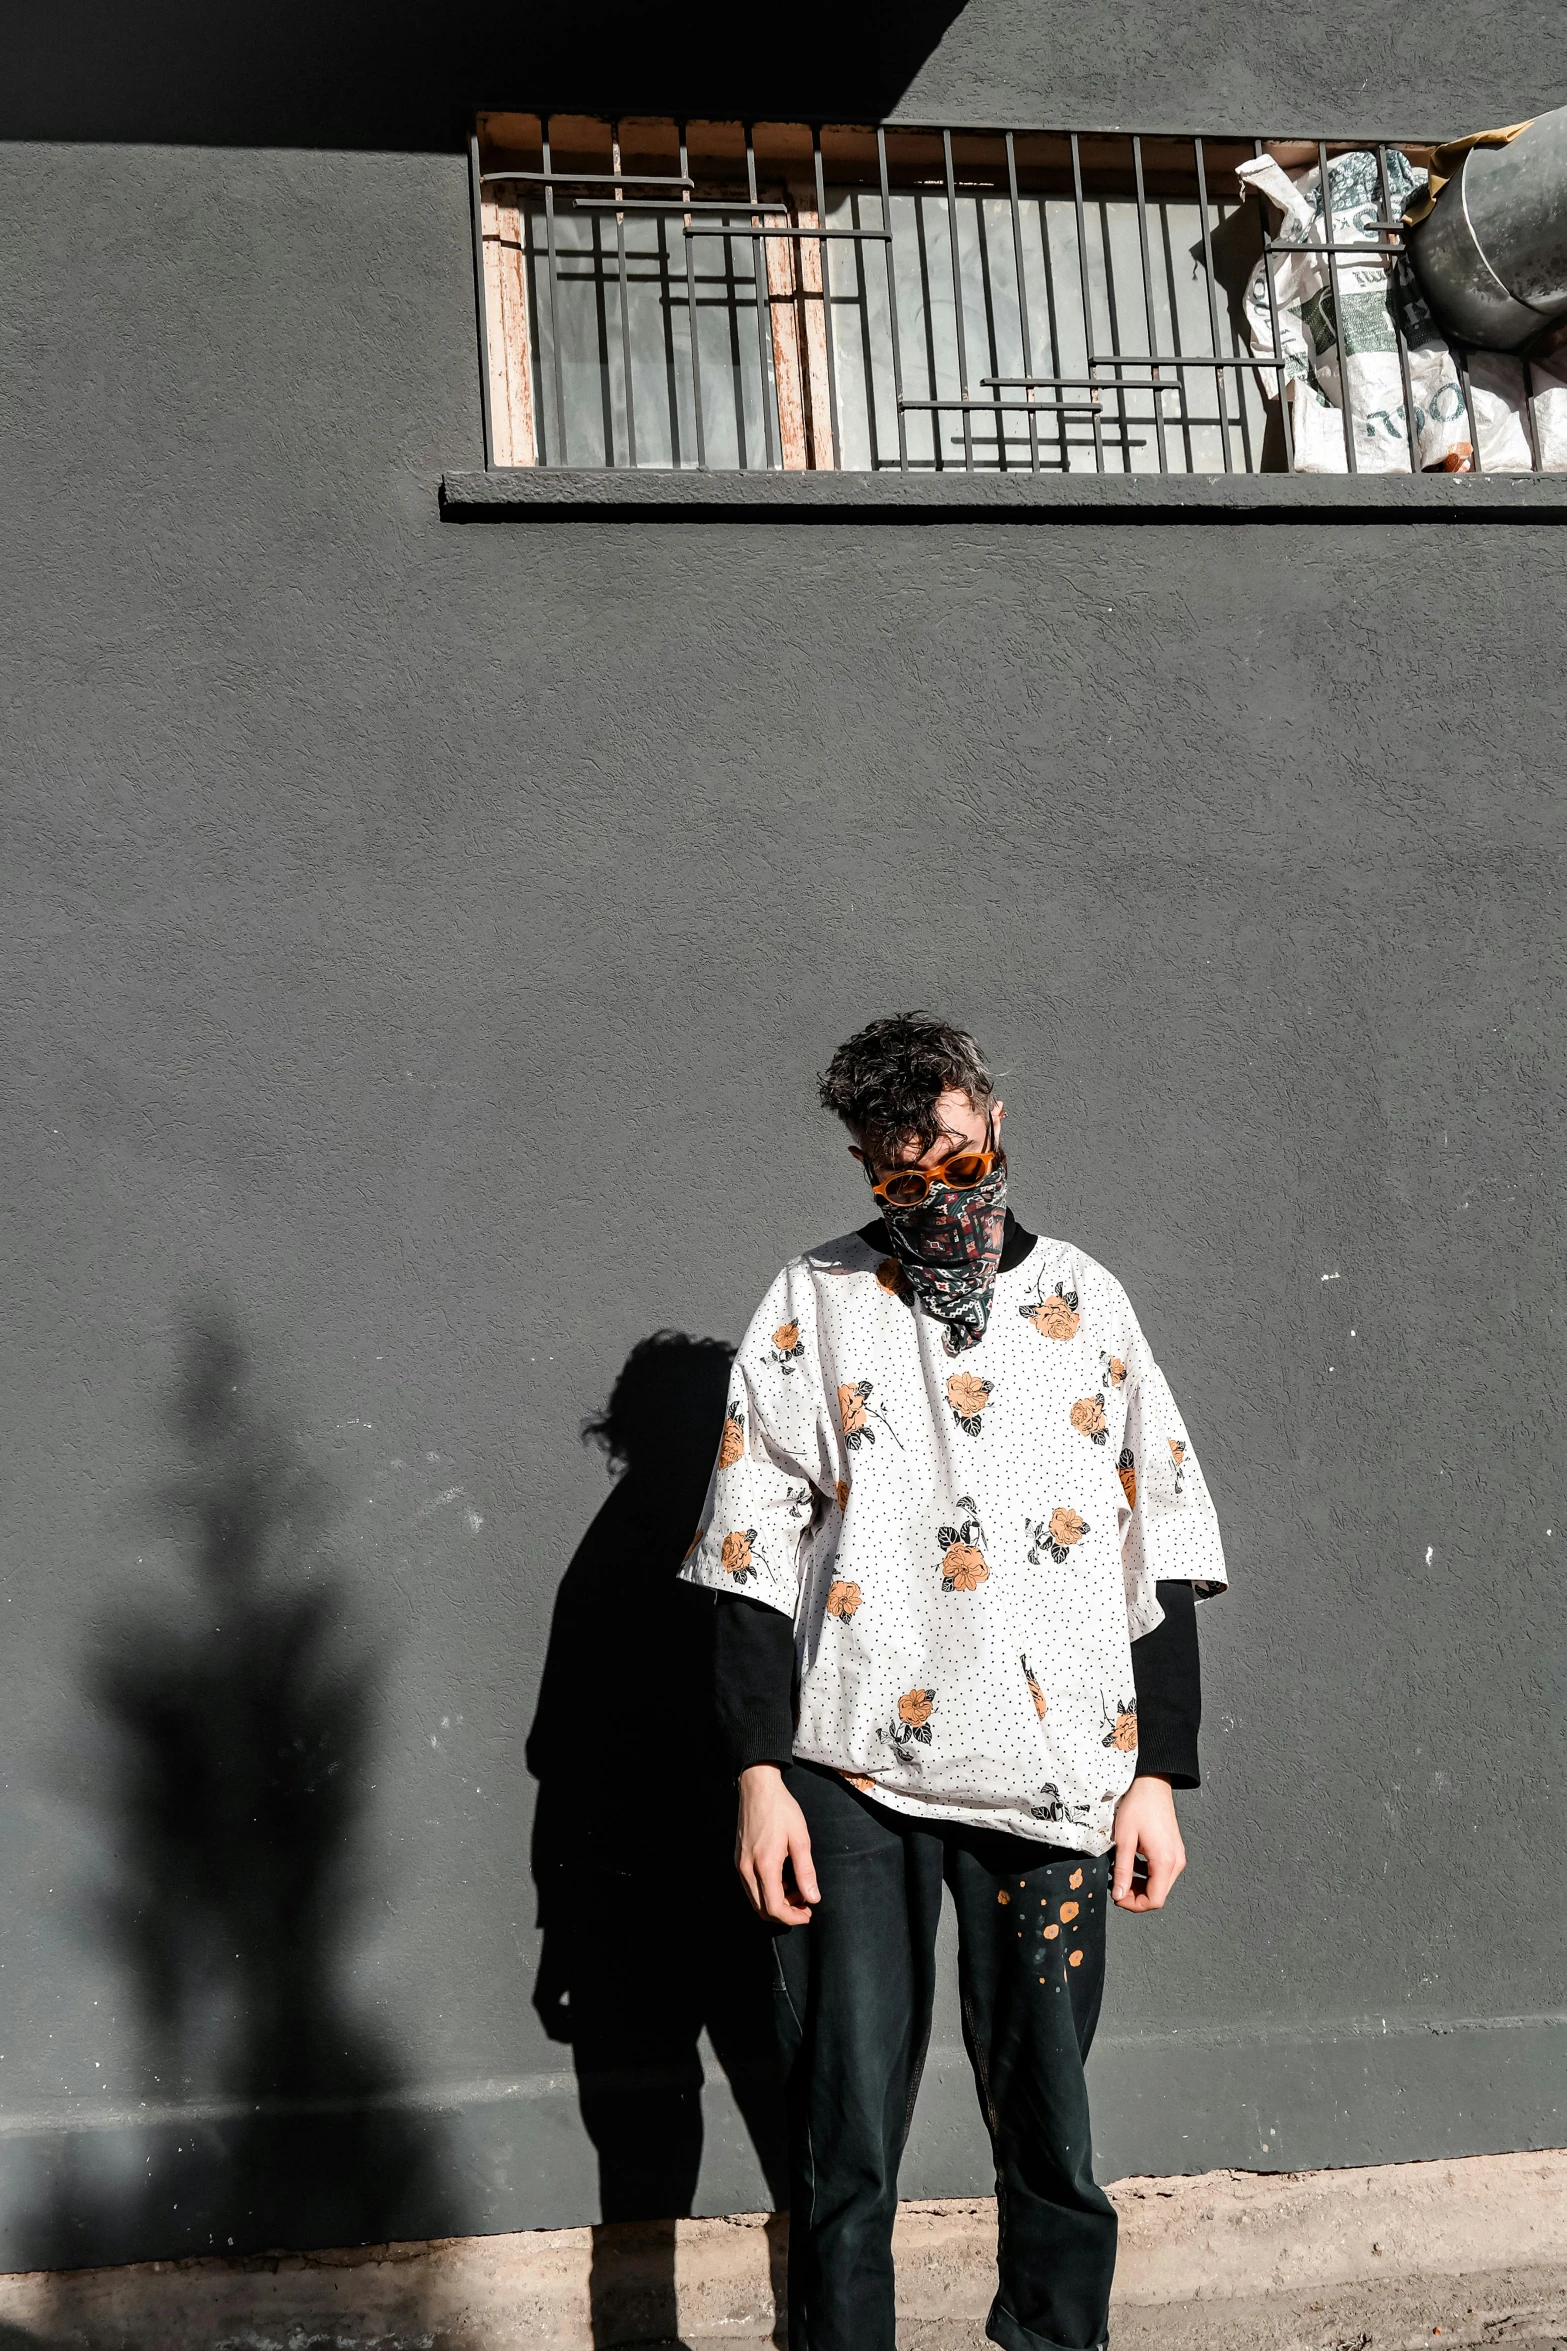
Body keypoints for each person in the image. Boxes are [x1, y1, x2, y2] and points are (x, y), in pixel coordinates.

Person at [679, 1014, 1227, 2351]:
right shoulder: (813, 1299)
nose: (941, 1199)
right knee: (844, 2130)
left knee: (1048, 2123)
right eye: (902, 1177)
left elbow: (1147, 1537)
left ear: (993, 1122)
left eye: (961, 1161)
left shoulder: (1088, 1302)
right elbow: (746, 1546)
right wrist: (759, 1773)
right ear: (868, 1167)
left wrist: (1159, 1770)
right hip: (853, 1764)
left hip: (1057, 1772)